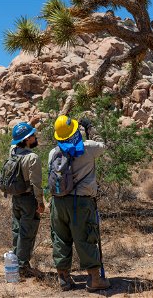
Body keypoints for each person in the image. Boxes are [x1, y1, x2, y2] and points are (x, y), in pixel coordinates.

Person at [48, 115, 110, 292]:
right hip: (81, 202)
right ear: (75, 130)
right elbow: (102, 144)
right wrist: (90, 127)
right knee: (86, 237)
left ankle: (64, 279)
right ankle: (94, 280)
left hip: (58, 203)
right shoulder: (88, 148)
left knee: (60, 238)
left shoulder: (54, 153)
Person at [10, 117, 45, 279]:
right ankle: (23, 268)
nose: (35, 137)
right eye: (33, 135)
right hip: (29, 200)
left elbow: (14, 141)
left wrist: (29, 125)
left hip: (15, 198)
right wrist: (40, 202)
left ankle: (17, 263)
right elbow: (36, 184)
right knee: (27, 233)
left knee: (17, 231)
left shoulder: (12, 151)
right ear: (27, 139)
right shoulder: (32, 158)